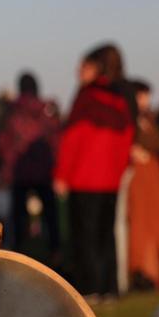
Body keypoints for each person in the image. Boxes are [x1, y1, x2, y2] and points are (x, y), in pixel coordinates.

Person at [54, 44, 135, 299]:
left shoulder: (86, 98)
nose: (78, 71)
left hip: (84, 178)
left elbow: (73, 139)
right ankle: (109, 287)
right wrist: (119, 169)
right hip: (110, 178)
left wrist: (62, 174)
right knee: (106, 235)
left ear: (95, 68)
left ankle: (89, 288)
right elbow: (126, 137)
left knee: (85, 237)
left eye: (84, 66)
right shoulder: (120, 98)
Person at [0, 72, 61, 260]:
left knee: (18, 215)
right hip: (43, 170)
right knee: (50, 214)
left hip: (21, 170)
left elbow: (4, 142)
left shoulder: (12, 112)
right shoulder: (46, 111)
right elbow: (55, 140)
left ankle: (17, 250)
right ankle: (55, 250)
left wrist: (7, 168)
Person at [126, 80, 159, 289]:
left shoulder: (148, 120)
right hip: (139, 179)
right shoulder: (131, 121)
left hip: (151, 178)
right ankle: (141, 271)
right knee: (139, 224)